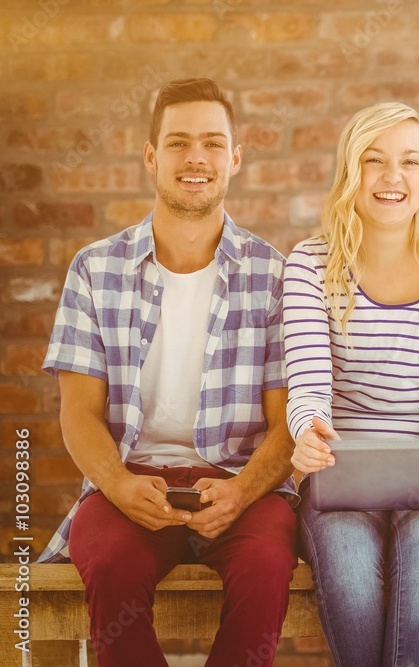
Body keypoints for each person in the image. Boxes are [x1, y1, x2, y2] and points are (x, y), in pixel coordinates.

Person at [39, 78, 297, 667]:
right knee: (107, 563)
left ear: (235, 158)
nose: (196, 158)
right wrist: (116, 483)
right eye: (179, 143)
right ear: (152, 156)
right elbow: (77, 412)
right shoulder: (95, 269)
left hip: (241, 484)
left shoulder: (274, 276)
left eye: (212, 143)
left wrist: (242, 491)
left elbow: (288, 423)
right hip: (131, 480)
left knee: (267, 566)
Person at [283, 102, 419, 667]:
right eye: (374, 161)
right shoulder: (309, 264)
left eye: (408, 162)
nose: (392, 177)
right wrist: (310, 431)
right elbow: (307, 388)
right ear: (351, 172)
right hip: (341, 477)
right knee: (352, 592)